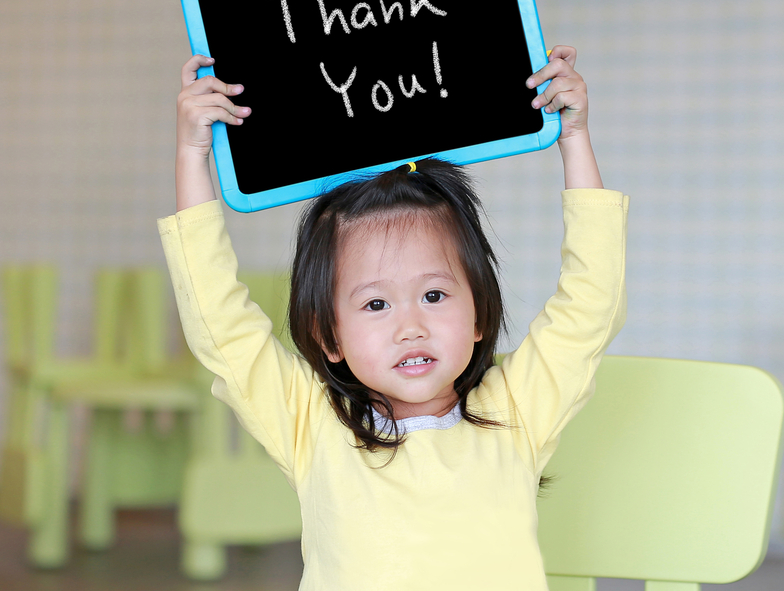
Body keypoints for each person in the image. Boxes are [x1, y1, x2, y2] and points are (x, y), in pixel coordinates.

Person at [159, 46, 628, 590]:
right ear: (328, 336)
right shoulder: (310, 424)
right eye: (376, 304)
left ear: (479, 316)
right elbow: (222, 325)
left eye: (434, 295)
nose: (411, 327)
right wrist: (193, 155)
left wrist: (574, 139)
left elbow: (590, 304)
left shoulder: (517, 409)